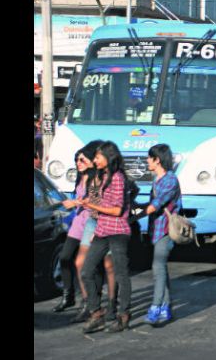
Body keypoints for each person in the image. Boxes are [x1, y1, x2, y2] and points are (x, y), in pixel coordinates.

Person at [78, 141, 132, 333]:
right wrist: (89, 202)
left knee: (120, 274)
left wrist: (92, 205)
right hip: (102, 230)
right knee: (86, 271)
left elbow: (117, 210)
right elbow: (105, 203)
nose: (95, 160)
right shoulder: (104, 176)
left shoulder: (117, 178)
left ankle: (123, 315)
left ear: (108, 157)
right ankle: (97, 313)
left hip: (117, 231)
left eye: (98, 157)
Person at [53, 140, 104, 314]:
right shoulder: (80, 178)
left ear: (91, 160)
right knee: (65, 257)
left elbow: (97, 202)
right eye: (77, 160)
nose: (78, 163)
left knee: (87, 264)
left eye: (82, 160)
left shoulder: (97, 178)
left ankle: (89, 301)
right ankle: (68, 296)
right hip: (78, 222)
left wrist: (75, 202)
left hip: (91, 222)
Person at [143, 144, 182, 326]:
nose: (147, 161)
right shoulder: (157, 179)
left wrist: (138, 214)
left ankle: (156, 306)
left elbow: (157, 204)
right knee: (161, 269)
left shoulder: (170, 180)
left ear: (157, 160)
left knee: (157, 267)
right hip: (156, 229)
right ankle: (166, 306)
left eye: (149, 158)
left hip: (166, 229)